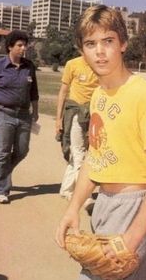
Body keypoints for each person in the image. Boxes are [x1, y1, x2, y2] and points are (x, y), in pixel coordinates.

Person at [55, 5, 146, 280]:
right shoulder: (99, 96)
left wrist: (132, 237)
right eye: (91, 43)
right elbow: (94, 157)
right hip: (104, 203)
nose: (99, 51)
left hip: (133, 205)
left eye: (108, 41)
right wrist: (73, 208)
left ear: (123, 43)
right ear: (81, 50)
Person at [0, 30, 39, 204]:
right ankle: (3, 189)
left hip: (24, 115)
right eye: (19, 45)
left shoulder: (29, 66)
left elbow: (34, 91)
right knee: (3, 152)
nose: (23, 48)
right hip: (2, 113)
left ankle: (3, 172)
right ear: (10, 47)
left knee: (22, 151)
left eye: (25, 45)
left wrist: (36, 111)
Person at [55, 56, 98, 201]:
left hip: (93, 116)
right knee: (79, 154)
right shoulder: (72, 64)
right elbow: (63, 92)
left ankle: (66, 189)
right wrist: (58, 119)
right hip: (74, 114)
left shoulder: (100, 65)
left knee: (84, 154)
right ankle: (85, 195)